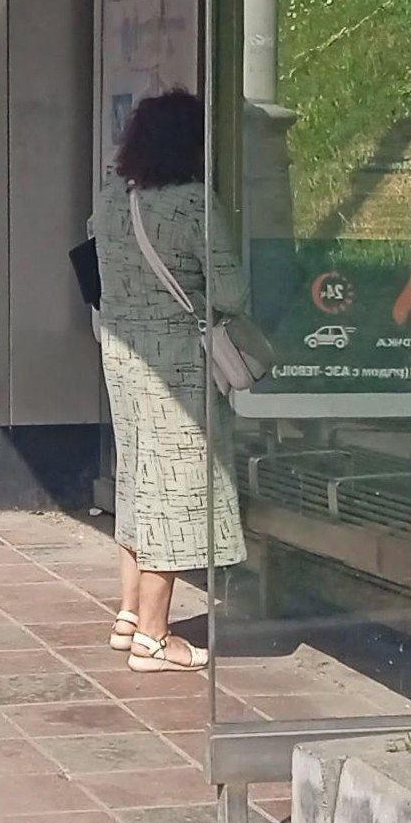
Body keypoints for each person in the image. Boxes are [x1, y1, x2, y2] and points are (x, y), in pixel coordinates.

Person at [92, 89, 247, 673]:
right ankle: (154, 639)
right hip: (177, 361)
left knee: (137, 479)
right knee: (176, 492)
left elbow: (95, 273)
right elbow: (231, 293)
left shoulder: (113, 198)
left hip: (122, 356)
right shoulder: (194, 204)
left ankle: (129, 613)